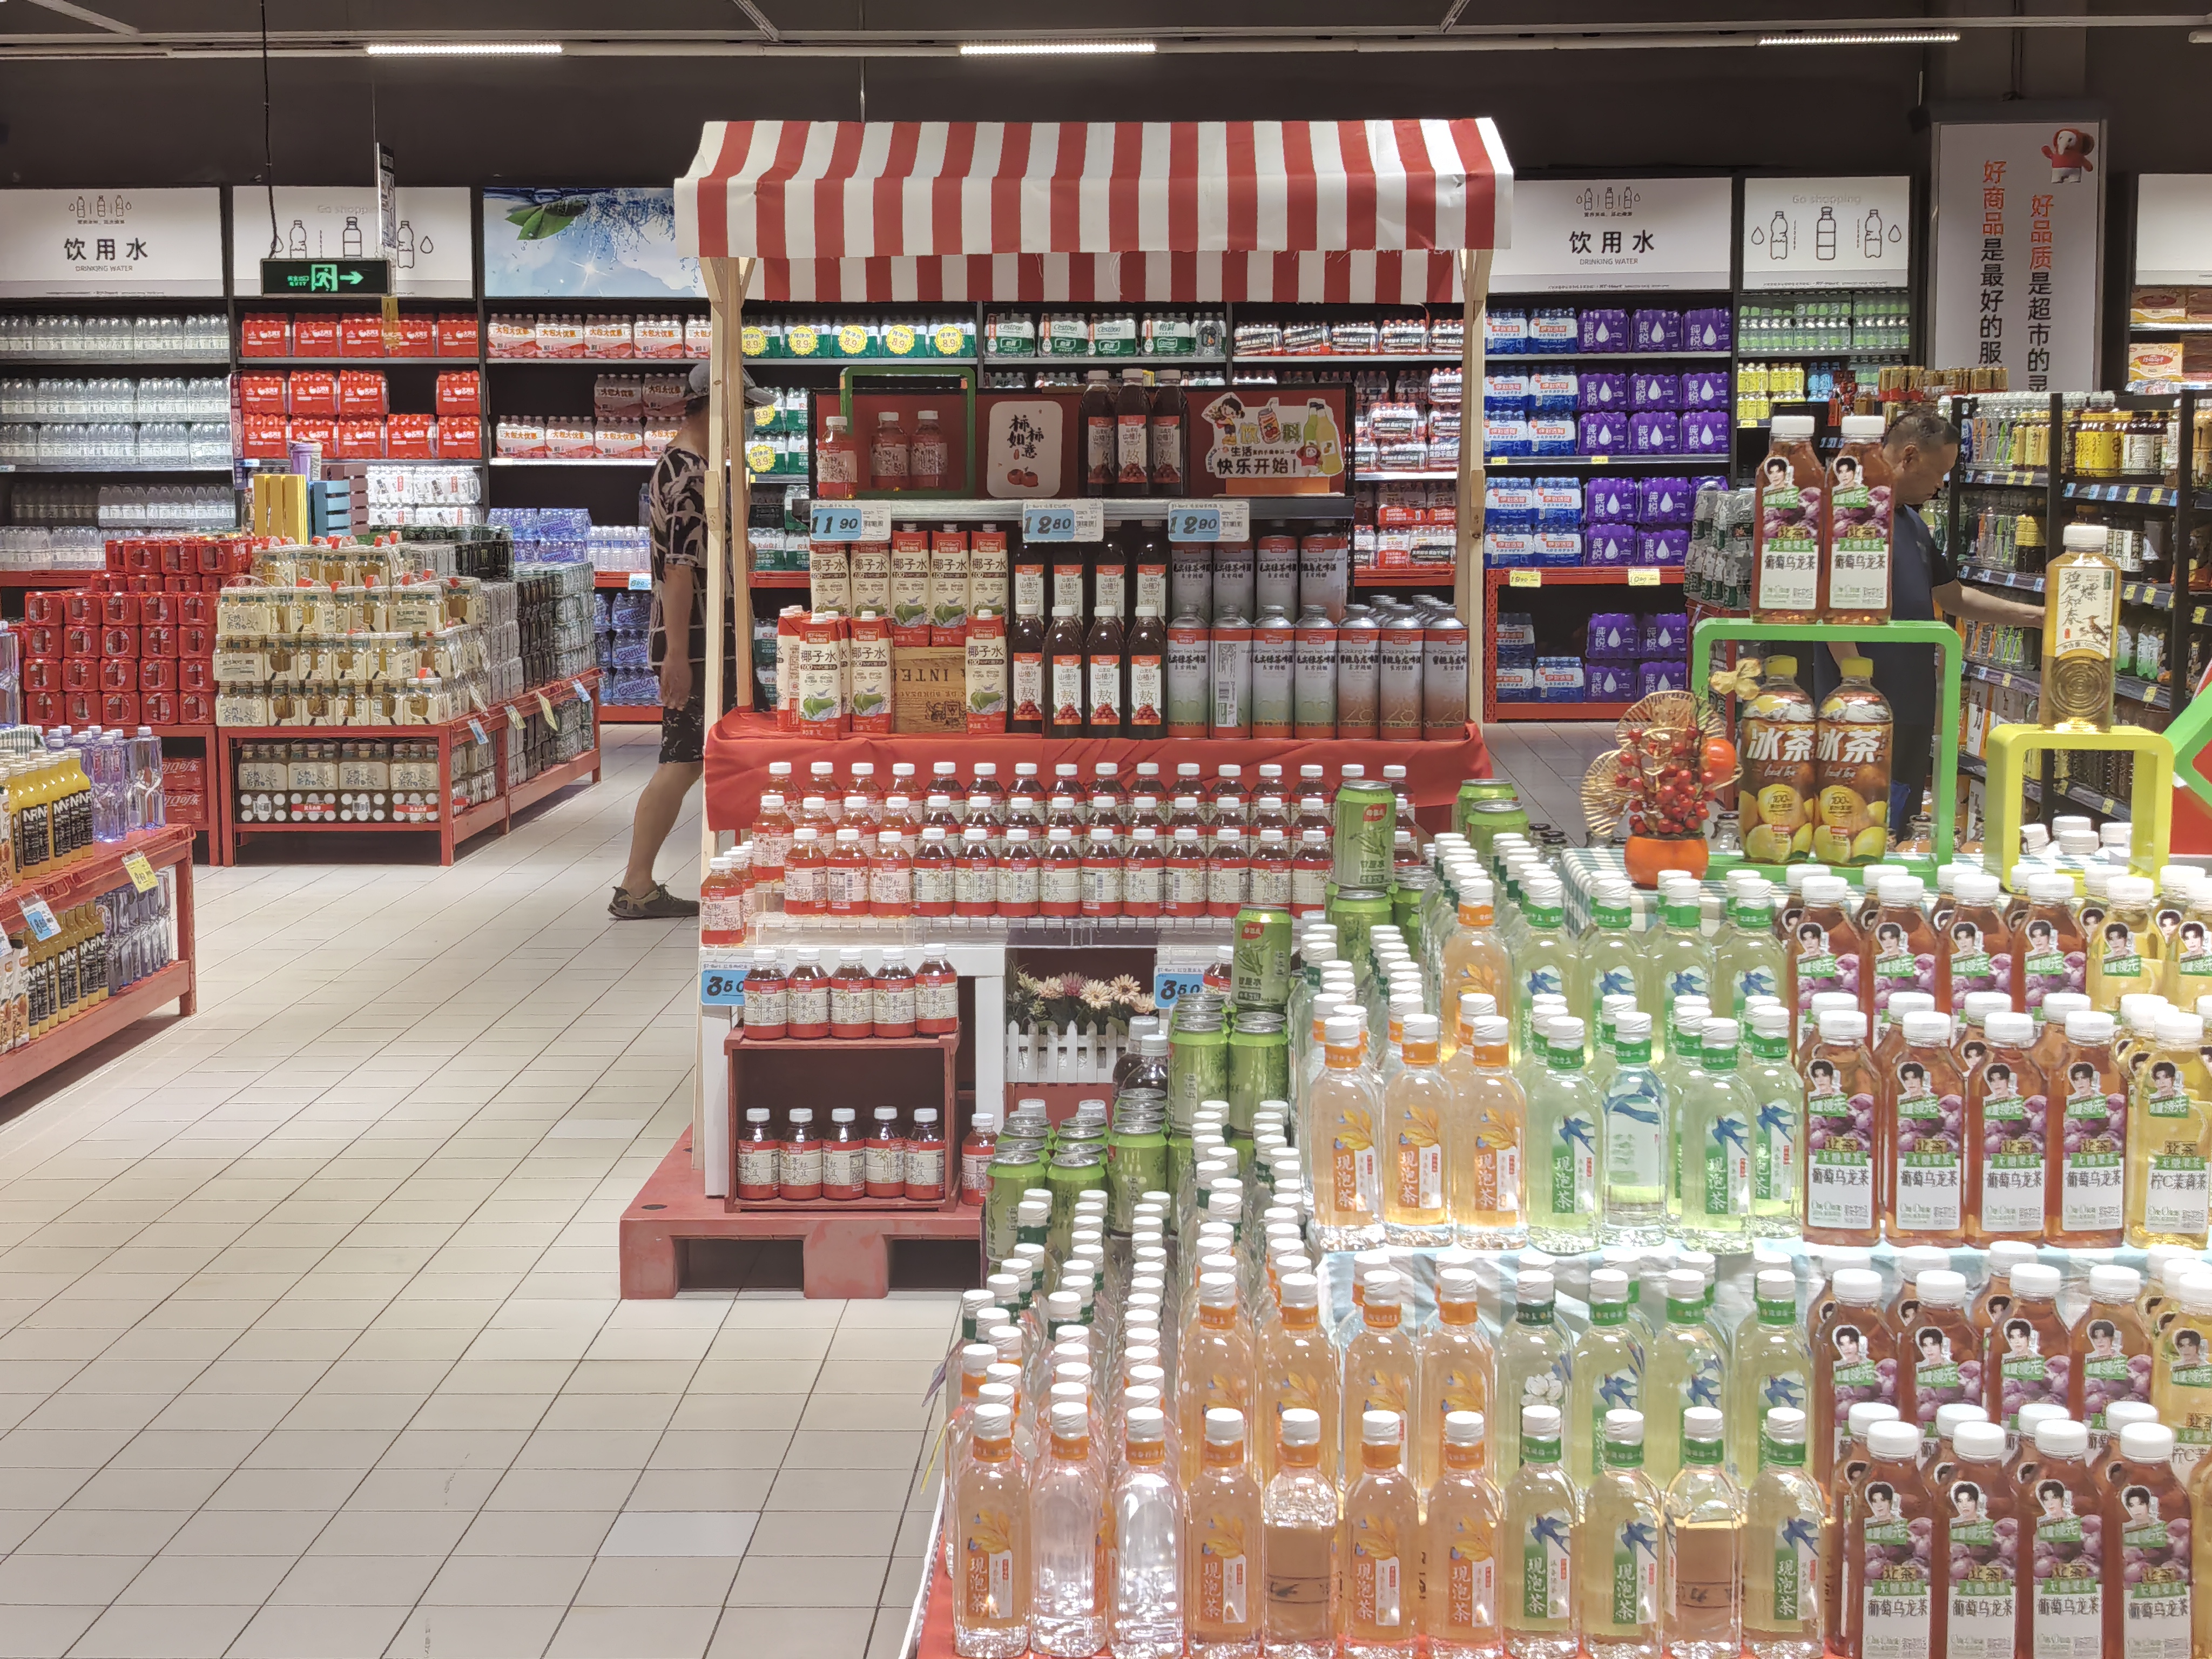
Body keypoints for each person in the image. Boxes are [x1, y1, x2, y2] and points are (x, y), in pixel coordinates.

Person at [1812, 407, 2042, 827]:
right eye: (1939, 473)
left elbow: (1953, 596)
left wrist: (2036, 615)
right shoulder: (1850, 516)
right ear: (1910, 456)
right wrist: (1857, 689)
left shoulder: (1912, 522)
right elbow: (1832, 612)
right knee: (1852, 825)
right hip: (1859, 710)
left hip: (1909, 707)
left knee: (1897, 826)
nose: (1941, 486)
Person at [611, 361, 774, 919]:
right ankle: (637, 884)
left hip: (713, 638)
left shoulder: (699, 467)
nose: (748, 423)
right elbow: (679, 570)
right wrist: (678, 657)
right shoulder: (687, 474)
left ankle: (642, 883)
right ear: (718, 405)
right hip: (701, 642)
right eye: (744, 411)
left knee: (696, 757)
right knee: (684, 759)